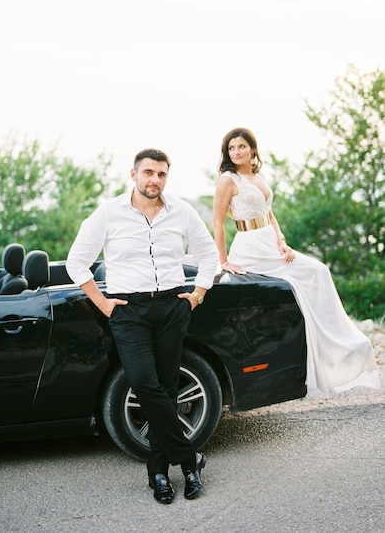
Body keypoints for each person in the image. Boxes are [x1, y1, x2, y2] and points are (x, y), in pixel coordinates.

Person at [66, 148, 219, 504]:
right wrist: (103, 303)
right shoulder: (109, 213)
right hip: (128, 310)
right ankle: (190, 458)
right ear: (133, 174)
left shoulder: (181, 211)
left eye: (161, 174)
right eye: (148, 172)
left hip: (171, 306)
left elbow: (208, 254)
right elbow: (77, 262)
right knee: (143, 383)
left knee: (166, 389)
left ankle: (160, 475)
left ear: (167, 176)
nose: (155, 180)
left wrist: (197, 294)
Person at [213, 127, 381, 395]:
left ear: (252, 149)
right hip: (250, 247)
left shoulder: (258, 175)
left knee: (319, 272)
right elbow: (218, 223)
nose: (237, 152)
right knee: (304, 281)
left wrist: (282, 241)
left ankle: (343, 345)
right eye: (231, 148)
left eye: (242, 146)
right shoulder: (228, 180)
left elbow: (269, 213)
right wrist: (223, 261)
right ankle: (324, 352)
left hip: (270, 242)